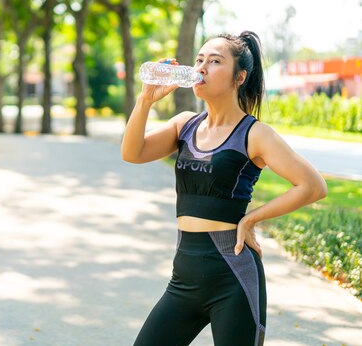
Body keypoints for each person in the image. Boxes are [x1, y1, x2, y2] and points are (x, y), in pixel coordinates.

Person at [121, 31, 327, 346]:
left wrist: (251, 219)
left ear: (239, 77)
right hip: (184, 278)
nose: (202, 67)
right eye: (200, 59)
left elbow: (313, 186)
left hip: (233, 277)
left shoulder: (255, 134)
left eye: (215, 61)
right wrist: (145, 99)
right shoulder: (184, 125)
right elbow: (132, 153)